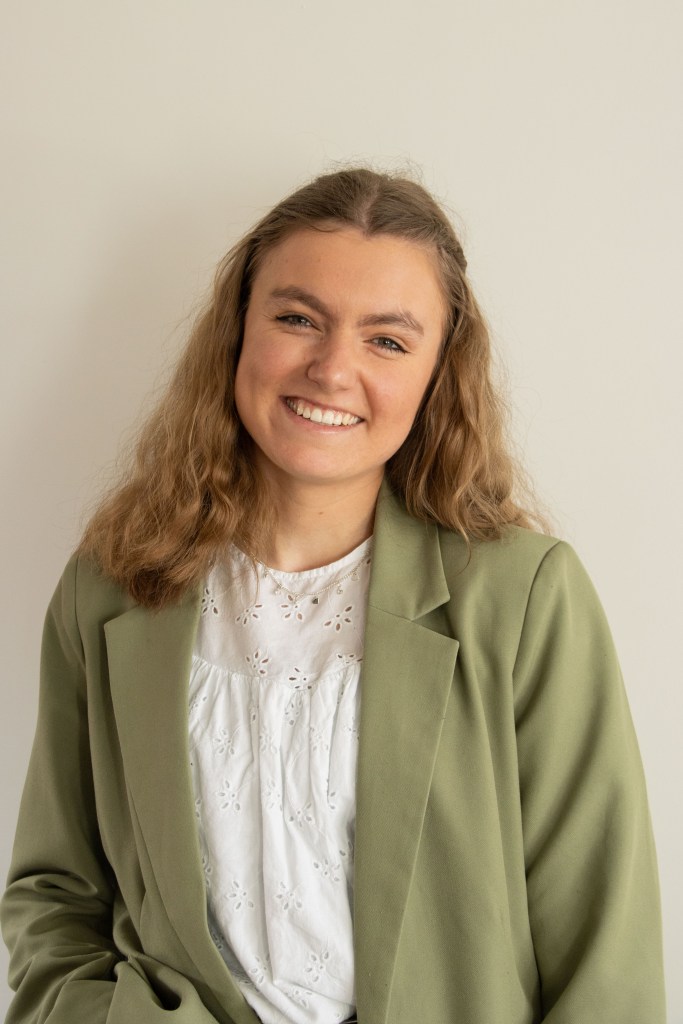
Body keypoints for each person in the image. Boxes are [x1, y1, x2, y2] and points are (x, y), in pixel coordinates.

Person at [1, 167, 665, 1024]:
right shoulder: (112, 586)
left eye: (386, 340)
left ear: (436, 374)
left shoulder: (525, 597)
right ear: (238, 330)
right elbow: (55, 892)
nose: (331, 369)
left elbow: (604, 949)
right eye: (297, 319)